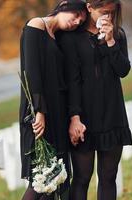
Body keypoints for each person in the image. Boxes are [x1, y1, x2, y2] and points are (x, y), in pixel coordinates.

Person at [59, 0, 132, 199]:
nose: (108, 16)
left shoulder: (118, 34)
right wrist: (74, 116)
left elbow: (123, 70)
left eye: (112, 12)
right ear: (89, 7)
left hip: (112, 112)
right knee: (82, 177)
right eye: (104, 11)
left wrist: (110, 41)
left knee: (108, 176)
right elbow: (71, 80)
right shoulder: (71, 37)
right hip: (84, 115)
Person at [19, 1, 87, 199]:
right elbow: (31, 73)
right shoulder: (35, 26)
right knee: (40, 178)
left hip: (58, 111)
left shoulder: (59, 36)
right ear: (63, 5)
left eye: (81, 21)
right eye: (75, 15)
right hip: (38, 111)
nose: (76, 22)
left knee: (54, 179)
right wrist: (39, 111)